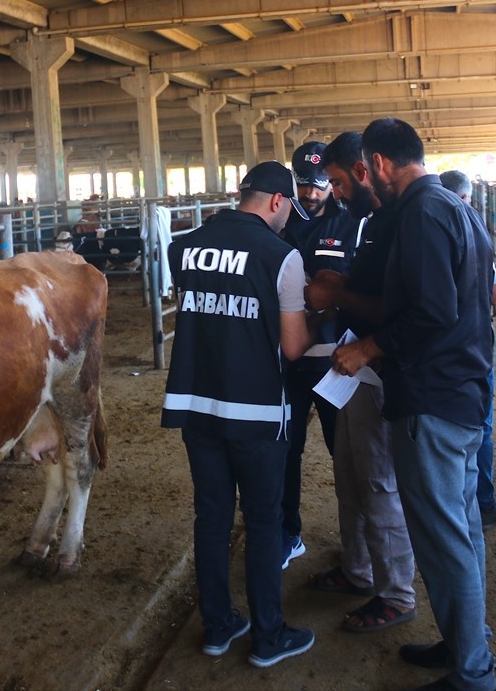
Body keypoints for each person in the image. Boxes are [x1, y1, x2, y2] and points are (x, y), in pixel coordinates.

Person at [333, 118, 496, 691]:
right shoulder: (453, 206)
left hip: (432, 397)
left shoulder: (424, 214)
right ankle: (464, 644)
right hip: (461, 390)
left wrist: (368, 350)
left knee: (444, 537)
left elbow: (432, 312)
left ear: (377, 163)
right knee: (463, 528)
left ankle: (473, 672)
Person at [161, 160, 317, 669]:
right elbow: (293, 349)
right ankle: (269, 636)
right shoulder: (281, 256)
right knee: (264, 521)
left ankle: (217, 626)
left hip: (196, 404)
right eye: (288, 207)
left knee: (211, 516)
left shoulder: (184, 248)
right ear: (277, 201)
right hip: (256, 411)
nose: (288, 217)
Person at [303, 131, 418, 634]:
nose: (336, 192)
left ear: (365, 169)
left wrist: (340, 296)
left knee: (376, 479)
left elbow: (409, 308)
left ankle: (396, 593)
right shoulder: (374, 221)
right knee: (348, 471)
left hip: (379, 366)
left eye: (338, 182)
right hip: (354, 366)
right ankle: (358, 569)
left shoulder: (407, 220)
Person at [278, 141, 361, 570]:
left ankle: (358, 544)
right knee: (285, 449)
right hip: (289, 359)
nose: (313, 193)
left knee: (344, 452)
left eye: (322, 184)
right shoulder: (281, 223)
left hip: (336, 359)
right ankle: (287, 533)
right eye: (305, 184)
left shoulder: (352, 224)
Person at [438, 169, 496, 530]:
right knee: (479, 421)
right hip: (475, 338)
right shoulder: (473, 227)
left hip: (441, 343)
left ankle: (452, 499)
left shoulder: (428, 226)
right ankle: (482, 502)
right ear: (466, 197)